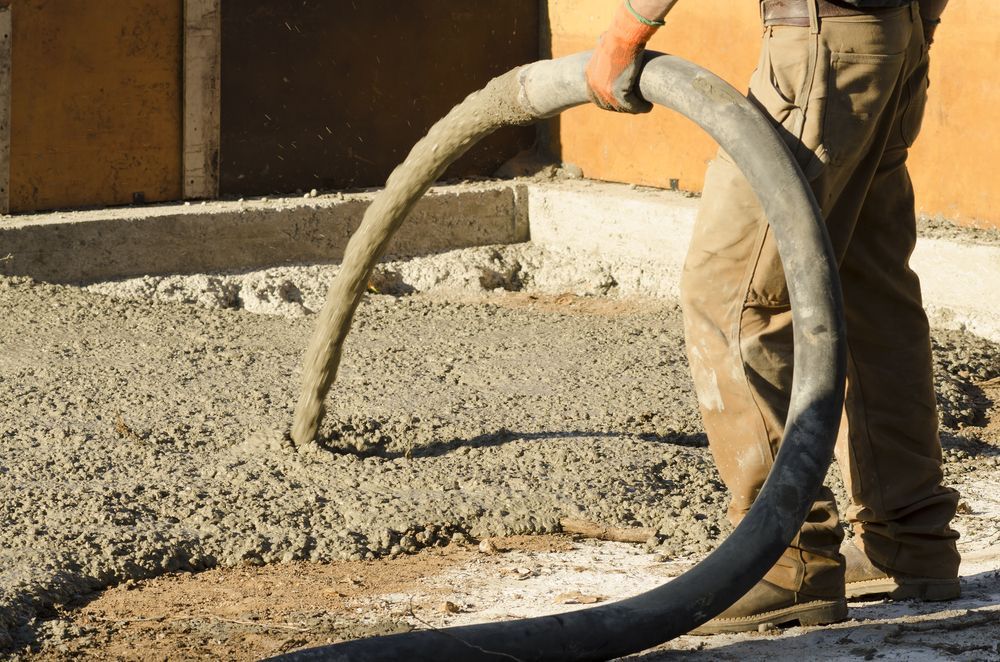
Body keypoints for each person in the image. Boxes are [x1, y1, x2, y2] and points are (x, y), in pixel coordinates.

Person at [586, 0, 960, 633]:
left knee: (732, 296)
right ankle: (910, 536)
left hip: (820, 47)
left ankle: (785, 563)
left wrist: (629, 26)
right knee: (868, 293)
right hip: (891, 37)